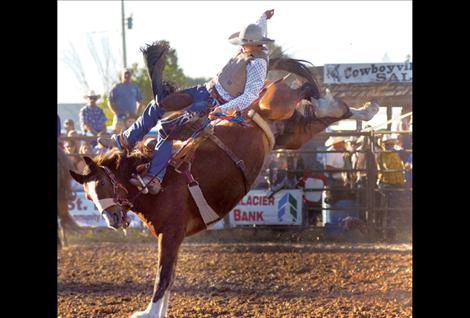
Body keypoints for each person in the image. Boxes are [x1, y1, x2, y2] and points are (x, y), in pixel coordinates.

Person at [100, 9, 276, 194]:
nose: (242, 45)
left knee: (167, 129)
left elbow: (250, 96)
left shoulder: (258, 64)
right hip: (204, 90)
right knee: (159, 104)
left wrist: (222, 109)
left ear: (255, 44)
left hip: (213, 105)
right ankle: (125, 139)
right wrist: (264, 17)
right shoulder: (248, 50)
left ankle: (154, 178)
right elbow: (258, 28)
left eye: (246, 43)